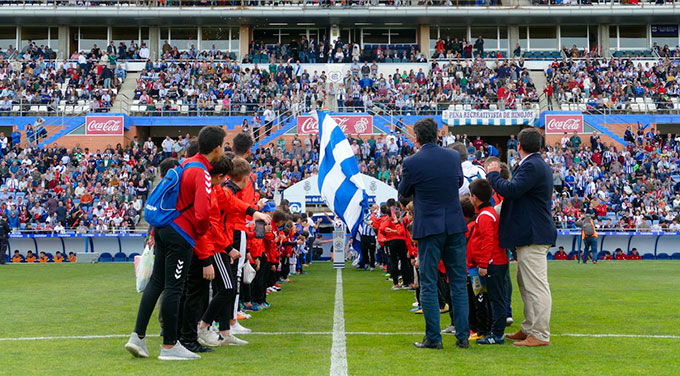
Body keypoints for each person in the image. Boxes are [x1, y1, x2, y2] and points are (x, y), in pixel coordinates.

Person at [125, 125, 227, 361]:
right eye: (223, 144)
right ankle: (169, 346)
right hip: (180, 233)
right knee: (174, 287)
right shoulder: (201, 171)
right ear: (216, 148)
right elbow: (202, 215)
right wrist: (198, 236)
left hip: (164, 228)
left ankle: (137, 337)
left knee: (156, 284)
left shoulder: (185, 163)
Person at [398, 117, 470, 350]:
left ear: (417, 138)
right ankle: (462, 335)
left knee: (428, 282)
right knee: (458, 282)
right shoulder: (452, 156)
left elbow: (403, 192)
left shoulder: (412, 162)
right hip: (454, 224)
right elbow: (459, 183)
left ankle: (434, 338)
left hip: (429, 227)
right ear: (437, 135)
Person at [486, 127, 556, 347]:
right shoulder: (534, 164)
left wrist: (493, 176)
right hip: (531, 232)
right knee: (526, 284)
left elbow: (512, 190)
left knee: (535, 285)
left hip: (533, 234)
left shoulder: (533, 165)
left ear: (518, 146)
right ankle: (529, 328)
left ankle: (540, 334)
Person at [468, 179, 508, 345]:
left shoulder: (485, 216)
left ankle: (497, 334)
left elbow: (487, 240)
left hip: (493, 263)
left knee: (496, 298)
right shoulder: (488, 213)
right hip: (493, 262)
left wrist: (483, 264)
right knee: (494, 297)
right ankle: (494, 331)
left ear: (475, 197)